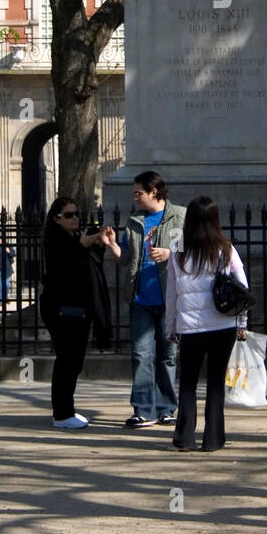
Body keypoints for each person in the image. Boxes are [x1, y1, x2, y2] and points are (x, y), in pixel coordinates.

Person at [100, 172, 186, 429]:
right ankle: (143, 409)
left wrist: (171, 253)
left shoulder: (179, 216)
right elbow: (127, 258)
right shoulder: (135, 220)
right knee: (141, 354)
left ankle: (166, 407)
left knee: (168, 354)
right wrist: (113, 246)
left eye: (139, 192)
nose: (135, 197)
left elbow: (192, 253)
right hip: (140, 298)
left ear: (155, 192)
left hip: (170, 297)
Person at [164, 196, 248, 453]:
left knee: (188, 382)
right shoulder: (225, 249)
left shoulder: (178, 249)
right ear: (215, 220)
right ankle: (213, 439)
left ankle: (185, 437)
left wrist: (170, 326)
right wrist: (242, 322)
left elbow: (171, 294)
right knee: (215, 384)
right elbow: (242, 288)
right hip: (222, 324)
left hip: (190, 327)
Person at [39, 197, 112, 430]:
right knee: (67, 361)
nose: (75, 218)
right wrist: (86, 243)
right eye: (69, 215)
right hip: (61, 309)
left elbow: (89, 264)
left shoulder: (75, 237)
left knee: (74, 361)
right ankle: (62, 413)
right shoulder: (55, 240)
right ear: (56, 219)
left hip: (78, 308)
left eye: (76, 213)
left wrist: (98, 243)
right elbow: (65, 265)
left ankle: (66, 410)